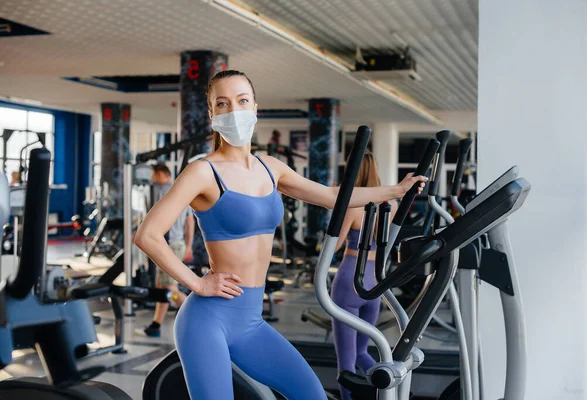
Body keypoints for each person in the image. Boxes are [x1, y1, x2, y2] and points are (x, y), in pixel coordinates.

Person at [134, 69, 427, 400]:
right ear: (212, 114)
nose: (234, 111)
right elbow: (148, 235)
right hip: (207, 321)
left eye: (242, 101)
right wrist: (198, 283)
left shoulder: (271, 167)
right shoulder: (203, 171)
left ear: (255, 109)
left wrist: (396, 190)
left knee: (311, 395)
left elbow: (333, 196)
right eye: (223, 103)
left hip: (251, 322)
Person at [332, 151, 397, 400]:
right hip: (375, 284)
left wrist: (337, 209)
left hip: (350, 280)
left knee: (346, 363)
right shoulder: (389, 206)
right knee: (362, 353)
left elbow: (335, 245)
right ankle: (391, 393)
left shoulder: (353, 204)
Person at [139, 163, 195, 337]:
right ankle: (156, 324)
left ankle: (198, 318)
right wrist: (189, 245)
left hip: (168, 245)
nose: (152, 179)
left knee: (170, 289)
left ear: (162, 174)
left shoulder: (164, 191)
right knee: (162, 287)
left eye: (154, 175)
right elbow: (190, 221)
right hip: (176, 244)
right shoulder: (182, 192)